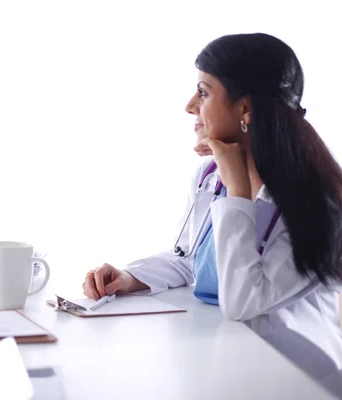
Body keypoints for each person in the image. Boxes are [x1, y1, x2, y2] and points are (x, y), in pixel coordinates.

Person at [82, 33, 342, 396]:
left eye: (203, 92)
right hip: (227, 359)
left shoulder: (321, 202)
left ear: (246, 109)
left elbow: (243, 302)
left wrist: (238, 191)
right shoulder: (209, 178)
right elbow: (191, 260)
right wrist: (130, 277)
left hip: (297, 377)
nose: (190, 106)